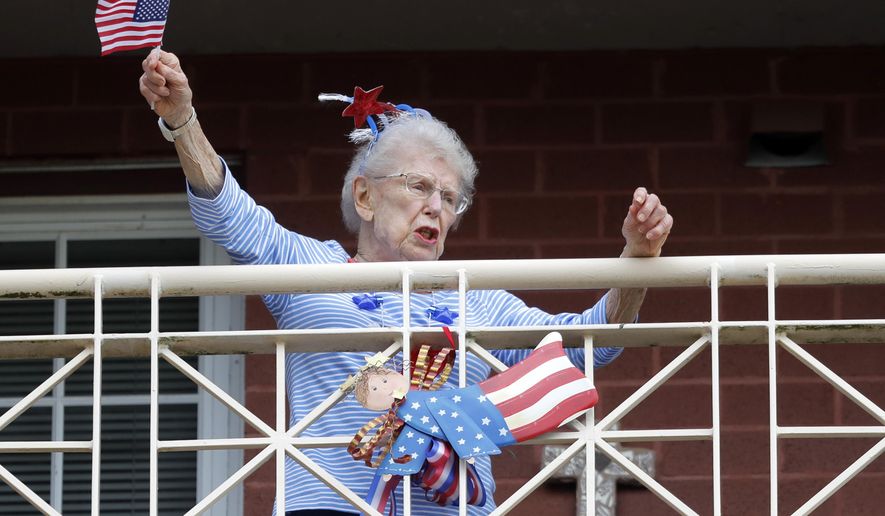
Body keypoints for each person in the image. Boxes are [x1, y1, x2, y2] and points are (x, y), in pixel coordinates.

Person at [138, 48, 673, 516]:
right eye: (419, 186)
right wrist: (183, 121)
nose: (436, 208)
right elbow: (228, 215)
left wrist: (635, 260)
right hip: (329, 504)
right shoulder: (311, 270)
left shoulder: (478, 298)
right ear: (366, 197)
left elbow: (585, 348)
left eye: (450, 198)